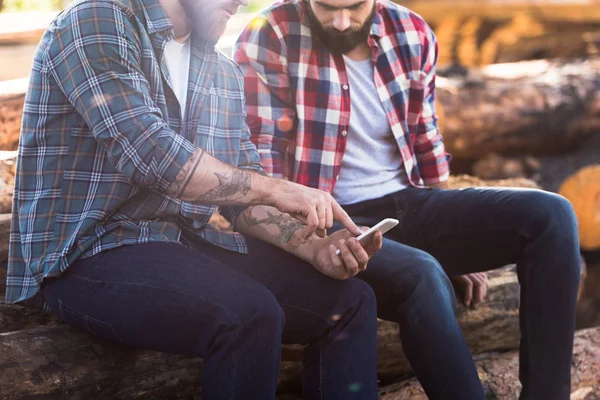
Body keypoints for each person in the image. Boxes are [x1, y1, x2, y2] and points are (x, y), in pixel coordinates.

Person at [5, 0, 385, 398]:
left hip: (179, 245)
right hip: (84, 253)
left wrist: (316, 248)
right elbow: (151, 154)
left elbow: (241, 197)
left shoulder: (221, 71)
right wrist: (277, 187)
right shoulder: (97, 21)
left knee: (350, 302)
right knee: (247, 313)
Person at [234, 0, 581, 398]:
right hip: (328, 221)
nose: (343, 21)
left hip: (409, 204)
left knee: (553, 214)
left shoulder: (412, 31)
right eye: (328, 8)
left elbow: (425, 141)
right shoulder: (270, 34)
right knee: (422, 274)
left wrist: (461, 246)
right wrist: (308, 239)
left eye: (356, 7)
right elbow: (263, 167)